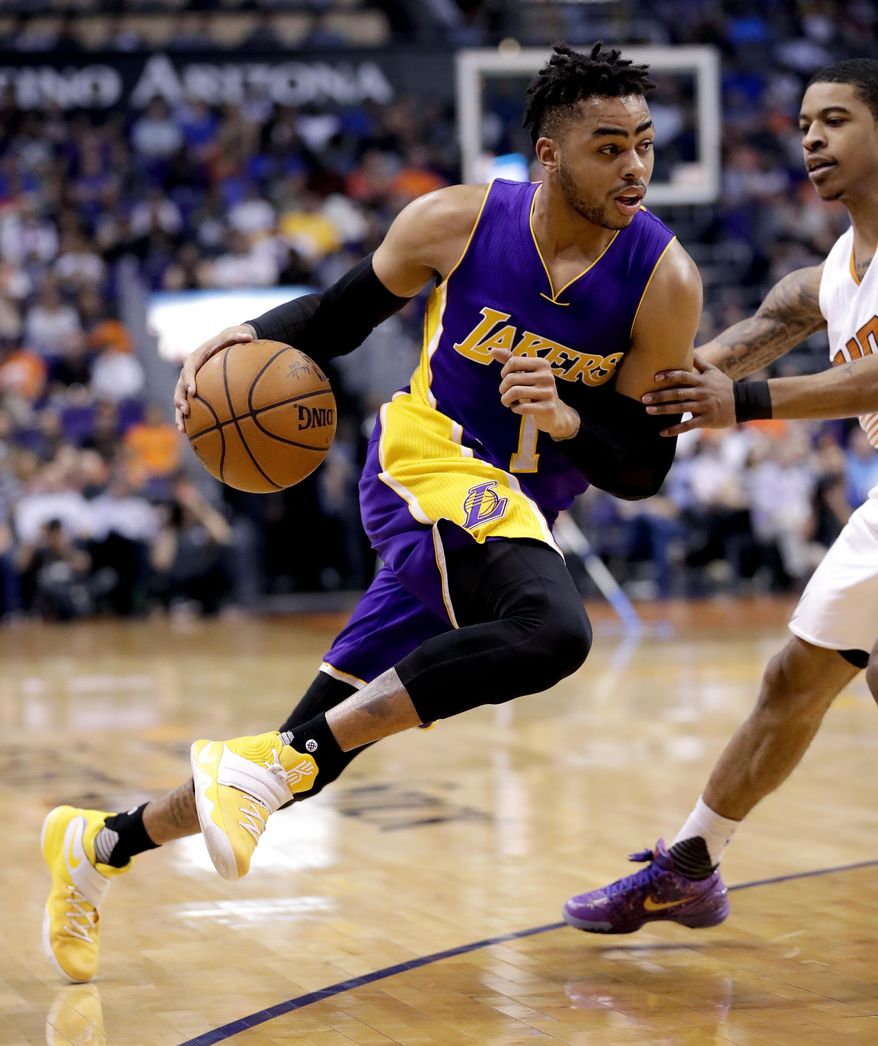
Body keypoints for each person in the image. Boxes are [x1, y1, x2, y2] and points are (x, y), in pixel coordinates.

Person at [40, 43, 702, 983]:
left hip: (508, 517)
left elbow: (642, 468)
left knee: (313, 751)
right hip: (426, 462)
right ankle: (258, 768)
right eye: (609, 147)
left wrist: (567, 420)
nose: (635, 166)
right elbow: (340, 316)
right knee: (554, 631)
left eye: (644, 143)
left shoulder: (664, 280)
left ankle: (100, 843)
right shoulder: (457, 222)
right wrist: (245, 335)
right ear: (550, 157)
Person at [563, 57, 878, 935]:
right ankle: (689, 868)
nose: (811, 138)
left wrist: (743, 403)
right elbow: (736, 347)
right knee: (793, 682)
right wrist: (604, 405)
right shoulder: (831, 275)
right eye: (804, 124)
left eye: (837, 120)